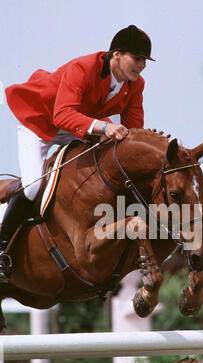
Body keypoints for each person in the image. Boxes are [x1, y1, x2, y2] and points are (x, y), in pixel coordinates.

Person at [0, 25, 154, 283]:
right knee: (33, 186)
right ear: (116, 54)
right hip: (40, 123)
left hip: (77, 128)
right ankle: (1, 246)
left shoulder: (135, 85)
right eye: (137, 58)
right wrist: (105, 126)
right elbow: (61, 114)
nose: (142, 66)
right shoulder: (82, 68)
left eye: (144, 61)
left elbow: (133, 129)